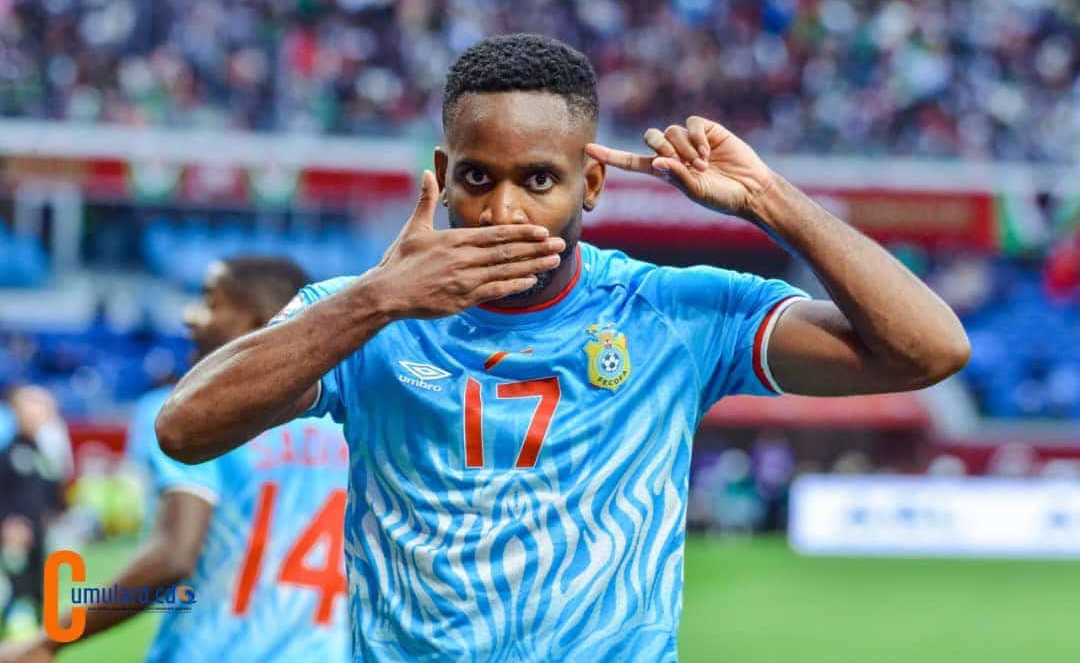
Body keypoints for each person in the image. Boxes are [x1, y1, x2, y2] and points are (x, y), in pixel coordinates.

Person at [156, 34, 971, 662]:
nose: (503, 211)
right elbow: (183, 429)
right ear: (442, 174)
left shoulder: (672, 313)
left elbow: (928, 350)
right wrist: (378, 298)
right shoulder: (367, 312)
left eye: (538, 180)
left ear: (592, 184)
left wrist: (770, 200)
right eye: (477, 178)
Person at [0, 257, 350, 663]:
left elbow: (174, 554)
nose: (188, 315)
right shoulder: (343, 425)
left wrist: (50, 640)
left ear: (260, 323)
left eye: (210, 302)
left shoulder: (200, 417)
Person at [0, 387, 65, 643]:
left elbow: (53, 496)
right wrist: (7, 523)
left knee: (42, 592)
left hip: (41, 535)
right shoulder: (9, 453)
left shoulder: (45, 454)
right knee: (17, 590)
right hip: (16, 538)